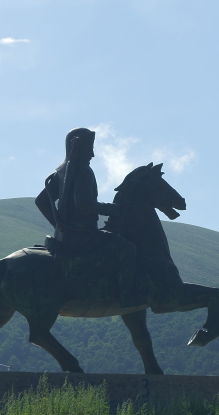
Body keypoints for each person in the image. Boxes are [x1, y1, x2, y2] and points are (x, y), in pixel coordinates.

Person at [35, 128, 141, 307]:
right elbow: (84, 205)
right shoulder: (83, 171)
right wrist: (112, 210)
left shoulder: (60, 173)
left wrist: (60, 225)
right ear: (79, 147)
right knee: (127, 248)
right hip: (85, 235)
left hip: (64, 238)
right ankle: (126, 297)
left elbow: (41, 201)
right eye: (89, 147)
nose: (92, 154)